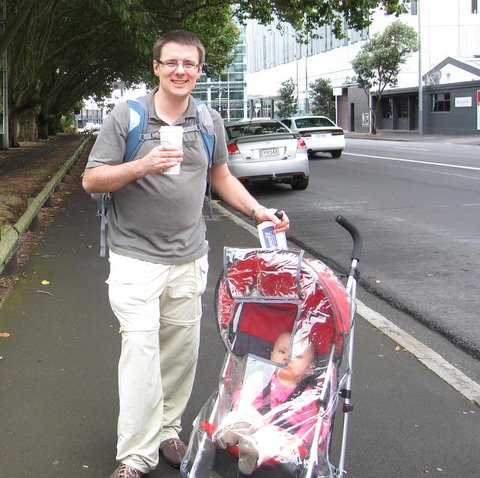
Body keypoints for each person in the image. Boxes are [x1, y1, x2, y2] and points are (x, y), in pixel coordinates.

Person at [82, 30, 290, 478]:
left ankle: (166, 430)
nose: (180, 71)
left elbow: (221, 177)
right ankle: (135, 455)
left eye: (189, 64)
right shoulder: (128, 116)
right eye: (171, 62)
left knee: (180, 352)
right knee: (140, 350)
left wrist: (258, 212)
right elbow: (92, 180)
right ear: (156, 67)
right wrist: (143, 163)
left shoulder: (209, 120)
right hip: (134, 256)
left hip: (189, 256)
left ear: (199, 70)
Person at [213, 331, 318, 475]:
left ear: (309, 366)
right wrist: (248, 414)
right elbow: (242, 399)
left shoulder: (306, 396)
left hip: (279, 433)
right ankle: (228, 432)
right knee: (238, 415)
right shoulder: (261, 380)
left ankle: (252, 452)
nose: (288, 358)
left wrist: (300, 439)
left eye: (298, 356)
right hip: (254, 421)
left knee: (271, 437)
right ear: (271, 355)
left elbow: (311, 423)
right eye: (282, 351)